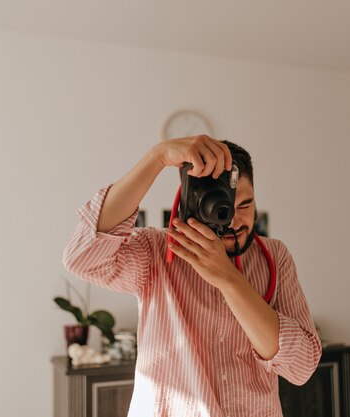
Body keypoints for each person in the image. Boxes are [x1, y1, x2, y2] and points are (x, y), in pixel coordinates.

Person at [62, 135, 322, 417]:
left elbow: (302, 367)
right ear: (190, 204)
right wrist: (157, 157)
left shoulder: (274, 256)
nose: (232, 221)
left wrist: (227, 277)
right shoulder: (157, 252)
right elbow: (83, 257)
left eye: (245, 206)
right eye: (221, 207)